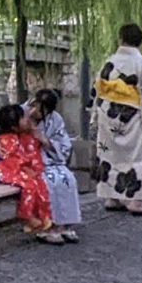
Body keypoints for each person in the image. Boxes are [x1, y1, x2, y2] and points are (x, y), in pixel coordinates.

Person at [92, 23, 142, 216]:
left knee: (109, 155)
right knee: (138, 157)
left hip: (108, 113)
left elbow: (97, 89)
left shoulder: (109, 61)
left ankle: (112, 197)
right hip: (131, 115)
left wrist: (95, 114)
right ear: (140, 41)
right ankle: (136, 201)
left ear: (120, 39)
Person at [28, 88, 82, 244]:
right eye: (36, 107)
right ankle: (46, 227)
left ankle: (65, 224)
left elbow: (64, 146)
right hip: (27, 161)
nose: (36, 112)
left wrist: (44, 140)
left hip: (49, 159)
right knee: (47, 182)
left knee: (67, 179)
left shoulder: (55, 119)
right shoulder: (19, 113)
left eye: (41, 111)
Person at [0, 103, 53, 236]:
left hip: (19, 169)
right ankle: (27, 217)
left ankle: (43, 215)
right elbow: (13, 160)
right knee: (29, 185)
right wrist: (26, 168)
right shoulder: (7, 140)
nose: (27, 119)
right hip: (8, 170)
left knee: (40, 183)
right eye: (23, 117)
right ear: (14, 126)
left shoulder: (24, 135)